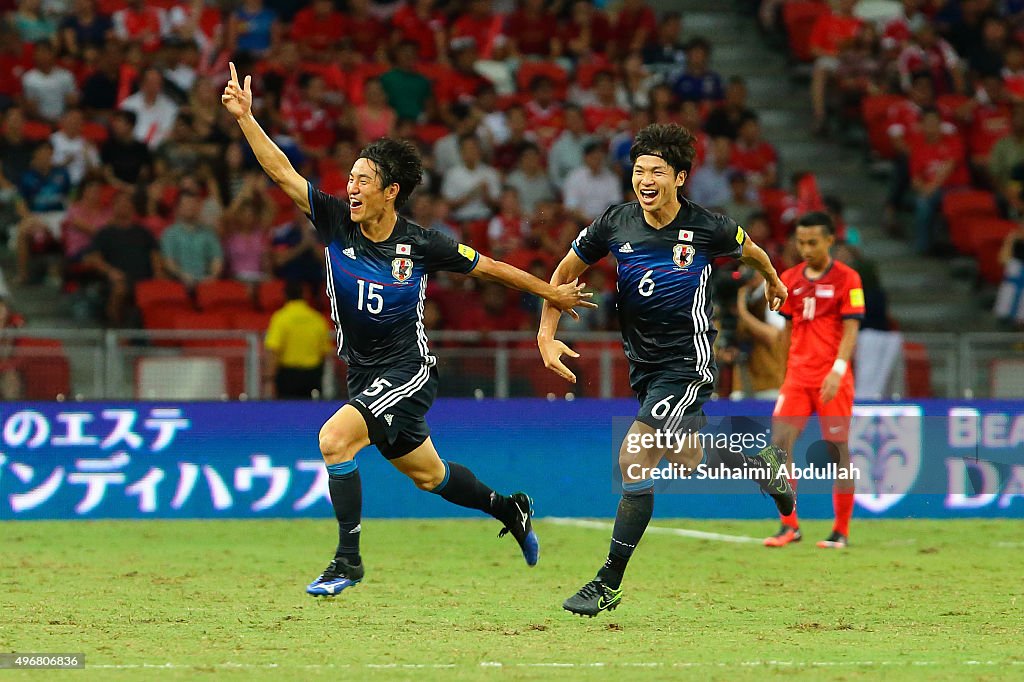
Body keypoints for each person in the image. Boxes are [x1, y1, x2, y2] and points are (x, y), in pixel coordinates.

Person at [221, 63, 594, 598]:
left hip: (408, 373)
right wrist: (246, 119)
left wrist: (551, 292)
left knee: (333, 441)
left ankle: (347, 561)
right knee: (431, 477)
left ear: (390, 191)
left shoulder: (421, 243)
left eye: (362, 180)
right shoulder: (334, 222)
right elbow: (281, 172)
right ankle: (509, 508)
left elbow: (488, 267)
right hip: (364, 376)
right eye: (348, 178)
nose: (349, 187)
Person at [537, 124, 794, 617]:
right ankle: (759, 460)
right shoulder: (615, 223)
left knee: (634, 459)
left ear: (679, 177)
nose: (646, 179)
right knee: (689, 459)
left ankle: (606, 583)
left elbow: (754, 251)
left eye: (657, 171)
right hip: (645, 367)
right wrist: (546, 334)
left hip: (688, 361)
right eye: (638, 171)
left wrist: (774, 280)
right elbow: (564, 275)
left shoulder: (707, 226)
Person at [764, 211, 864, 549]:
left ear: (830, 241)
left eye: (812, 242)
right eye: (801, 242)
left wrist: (837, 370)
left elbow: (851, 329)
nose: (805, 248)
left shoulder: (848, 278)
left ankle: (841, 531)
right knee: (778, 447)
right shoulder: (790, 278)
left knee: (838, 450)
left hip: (832, 378)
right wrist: (784, 375)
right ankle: (789, 526)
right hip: (798, 377)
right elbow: (788, 330)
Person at [264, 280, 332, 399]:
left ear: (285, 296)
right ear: (304, 296)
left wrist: (269, 378)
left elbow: (274, 349)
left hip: (288, 376)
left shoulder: (281, 318)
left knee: (287, 412)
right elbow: (325, 351)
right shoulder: (317, 318)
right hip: (312, 375)